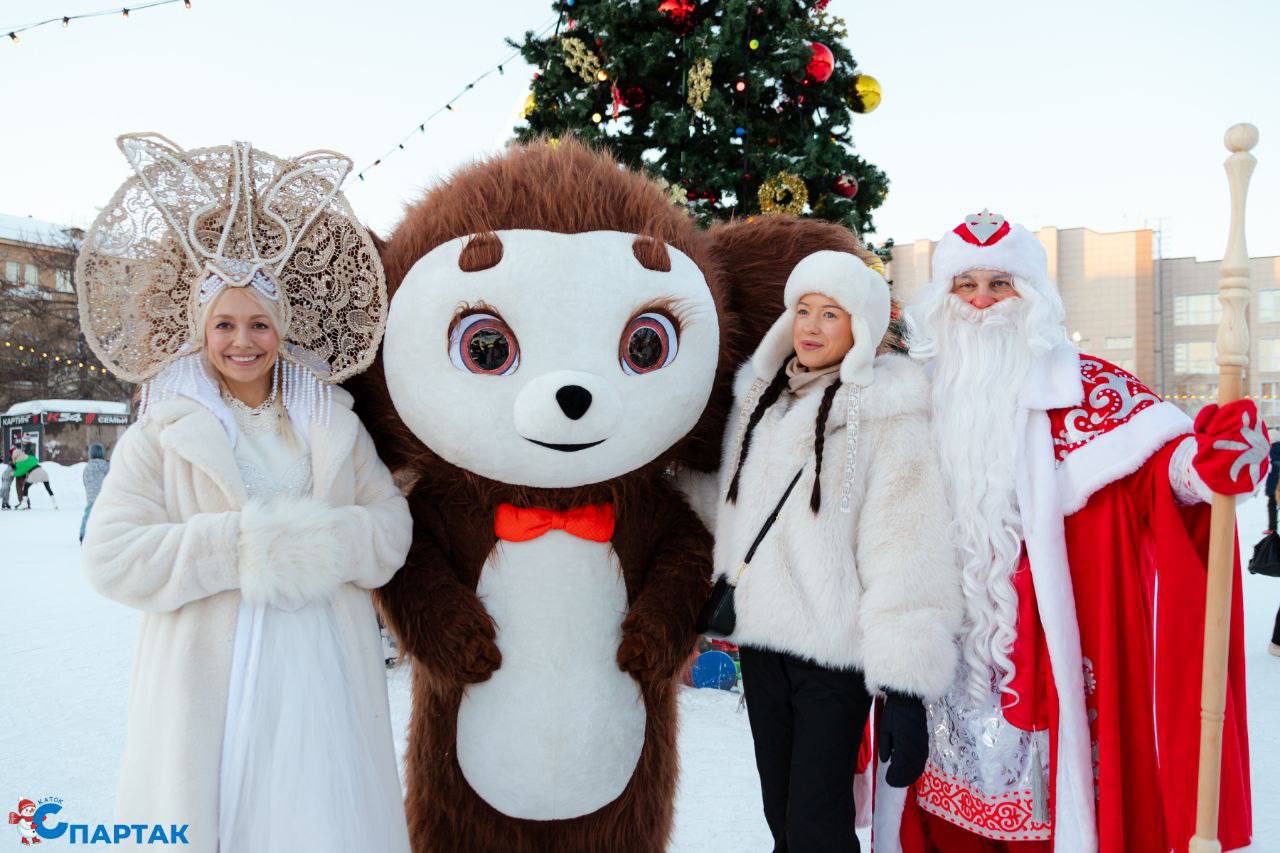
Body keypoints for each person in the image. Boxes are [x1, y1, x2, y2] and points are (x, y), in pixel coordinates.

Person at [78, 133, 410, 853]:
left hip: (325, 685)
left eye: (259, 323)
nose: (243, 341)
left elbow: (389, 528)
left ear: (280, 330)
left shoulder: (331, 424)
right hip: (210, 694)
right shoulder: (166, 431)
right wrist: (243, 548)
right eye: (224, 324)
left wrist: (323, 544)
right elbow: (110, 556)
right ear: (201, 330)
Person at [890, 210, 1258, 853]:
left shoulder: (1086, 387)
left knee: (1053, 816)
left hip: (1049, 656)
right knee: (941, 818)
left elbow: (1159, 471)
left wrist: (1207, 465)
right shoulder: (916, 393)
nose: (981, 302)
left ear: (1031, 296)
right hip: (943, 662)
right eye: (965, 285)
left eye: (1000, 284)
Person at [711, 249, 962, 852]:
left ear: (861, 326)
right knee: (781, 819)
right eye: (803, 310)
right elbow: (726, 506)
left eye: (831, 313)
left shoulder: (890, 414)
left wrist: (904, 682)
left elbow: (906, 545)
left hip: (833, 653)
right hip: (763, 644)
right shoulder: (760, 402)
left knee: (816, 829)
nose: (812, 327)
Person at [80, 443, 109, 542]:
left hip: (91, 496)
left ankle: (83, 534)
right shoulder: (106, 466)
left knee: (88, 515)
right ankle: (104, 534)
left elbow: (85, 480)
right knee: (105, 515)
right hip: (103, 496)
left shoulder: (87, 467)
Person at [1266, 436, 1280, 533]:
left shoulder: (1271, 449)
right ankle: (1272, 527)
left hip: (1274, 483)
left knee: (1272, 503)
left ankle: (1272, 528)